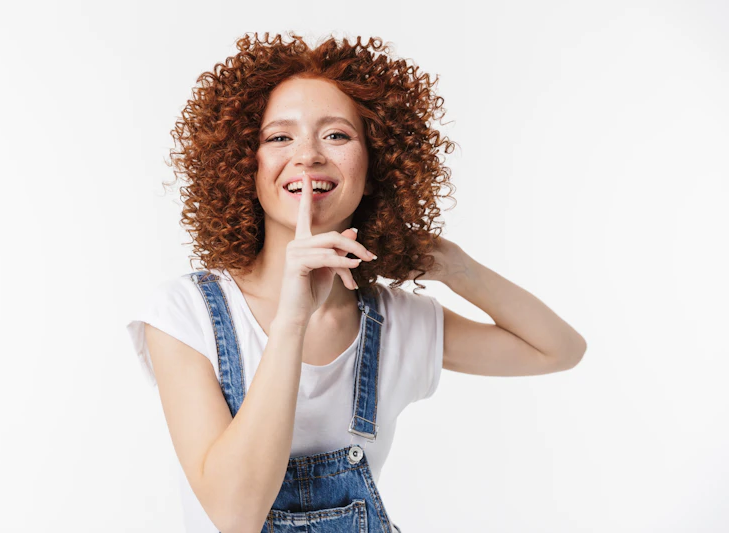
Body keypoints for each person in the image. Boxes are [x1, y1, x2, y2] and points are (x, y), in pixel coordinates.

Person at [126, 32, 587, 532]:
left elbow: (558, 350)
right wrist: (292, 320)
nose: (308, 156)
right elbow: (235, 515)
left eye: (337, 135)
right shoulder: (185, 313)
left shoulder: (395, 320)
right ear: (244, 164)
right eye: (279, 137)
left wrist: (454, 267)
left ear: (375, 164)